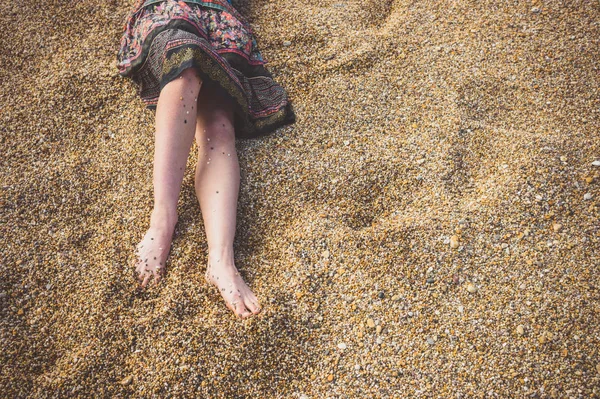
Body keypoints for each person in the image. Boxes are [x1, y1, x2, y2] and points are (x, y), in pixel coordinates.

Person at [116, 0, 295, 318]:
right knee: (184, 68)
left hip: (222, 24)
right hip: (172, 10)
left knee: (218, 125)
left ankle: (221, 261)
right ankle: (163, 218)